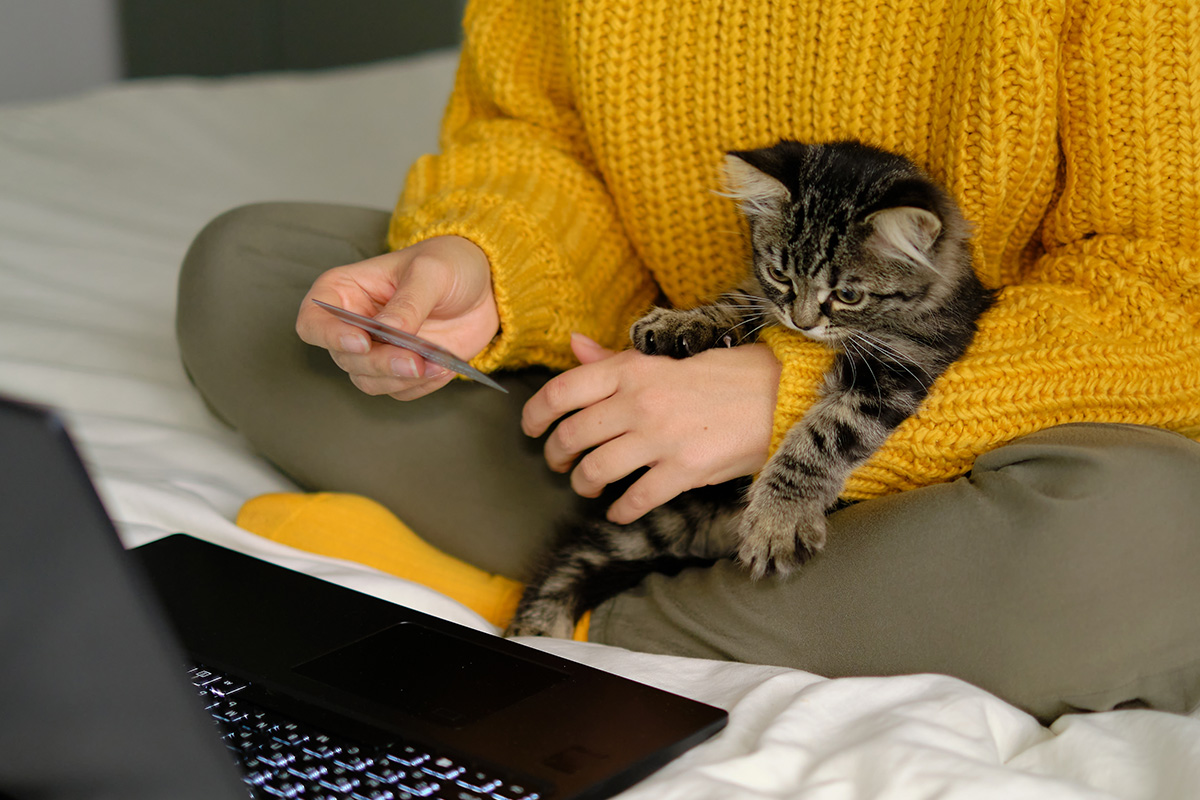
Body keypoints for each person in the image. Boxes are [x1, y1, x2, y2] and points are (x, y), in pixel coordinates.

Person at [177, 0, 1200, 723]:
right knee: (252, 276)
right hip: (664, 379)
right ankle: (719, 585)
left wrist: (783, 392)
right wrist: (486, 264)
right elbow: (539, 135)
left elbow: (1169, 282)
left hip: (965, 432)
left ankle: (579, 605)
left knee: (1159, 545)